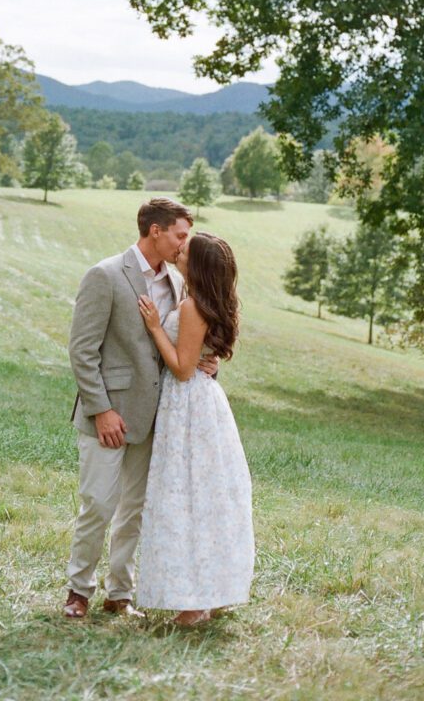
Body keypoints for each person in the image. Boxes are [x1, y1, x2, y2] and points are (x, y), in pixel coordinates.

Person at [63, 198, 218, 619]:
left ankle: (120, 594)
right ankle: (78, 590)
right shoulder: (106, 274)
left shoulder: (177, 282)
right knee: (97, 502)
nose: (185, 245)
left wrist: (205, 360)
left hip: (157, 417)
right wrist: (100, 410)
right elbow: (82, 351)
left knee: (135, 508)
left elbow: (179, 343)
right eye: (180, 235)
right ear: (156, 231)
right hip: (110, 415)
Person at [136, 231, 254, 626]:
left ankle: (194, 602)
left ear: (197, 265)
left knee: (186, 496)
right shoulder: (204, 302)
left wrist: (154, 326)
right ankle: (213, 593)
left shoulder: (191, 306)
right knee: (207, 496)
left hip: (188, 407)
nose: (178, 250)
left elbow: (184, 369)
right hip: (206, 406)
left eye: (185, 250)